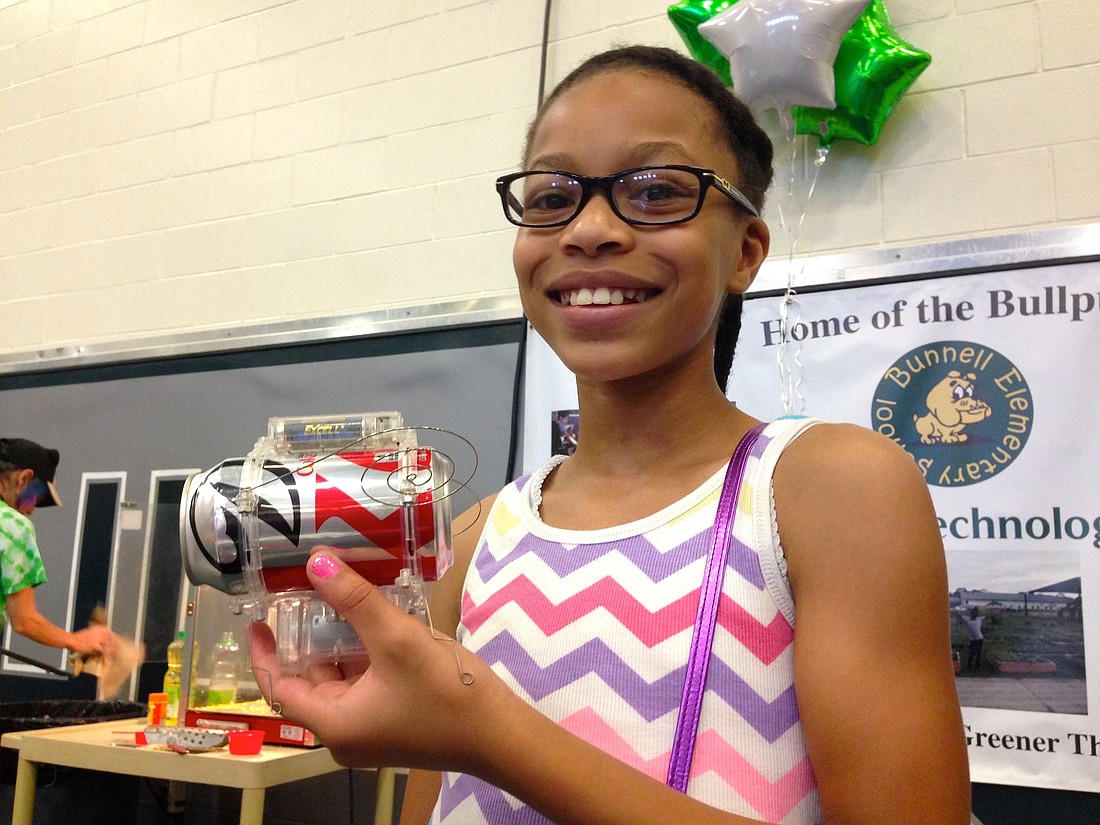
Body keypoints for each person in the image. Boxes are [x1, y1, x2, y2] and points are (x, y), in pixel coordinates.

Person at [250, 45, 971, 824]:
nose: (590, 228)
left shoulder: (825, 488)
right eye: (553, 196)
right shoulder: (478, 535)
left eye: (657, 190)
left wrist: (488, 730)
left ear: (747, 252)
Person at [0, 438, 116, 657]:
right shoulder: (13, 526)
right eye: (36, 497)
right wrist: (78, 641)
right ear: (24, 479)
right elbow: (24, 621)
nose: (32, 509)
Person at [965, 607, 985, 671]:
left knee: (978, 653)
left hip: (979, 639)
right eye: (973, 612)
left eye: (976, 612)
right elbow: (958, 615)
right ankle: (969, 666)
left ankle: (977, 667)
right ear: (971, 613)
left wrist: (997, 613)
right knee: (972, 653)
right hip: (972, 640)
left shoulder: (980, 619)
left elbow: (989, 616)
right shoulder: (967, 619)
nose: (975, 614)